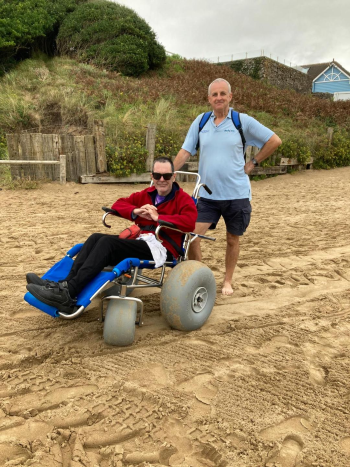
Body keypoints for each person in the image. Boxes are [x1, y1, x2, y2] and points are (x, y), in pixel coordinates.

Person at [26, 157, 197, 313]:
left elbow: (189, 222)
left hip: (161, 247)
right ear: (152, 176)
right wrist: (136, 210)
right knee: (95, 238)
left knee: (108, 243)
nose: (161, 180)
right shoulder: (146, 194)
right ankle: (64, 286)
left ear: (174, 177)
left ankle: (69, 292)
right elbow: (119, 204)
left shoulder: (183, 199)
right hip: (141, 240)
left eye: (166, 176)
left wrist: (158, 218)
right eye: (158, 175)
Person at [173, 78, 282, 296]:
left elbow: (274, 140)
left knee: (232, 239)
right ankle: (198, 275)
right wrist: (167, 172)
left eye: (223, 94)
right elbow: (185, 151)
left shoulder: (242, 121)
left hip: (237, 195)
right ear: (209, 99)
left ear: (230, 97)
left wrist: (253, 162)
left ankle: (227, 281)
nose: (219, 98)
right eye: (214, 94)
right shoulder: (201, 122)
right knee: (192, 235)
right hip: (207, 194)